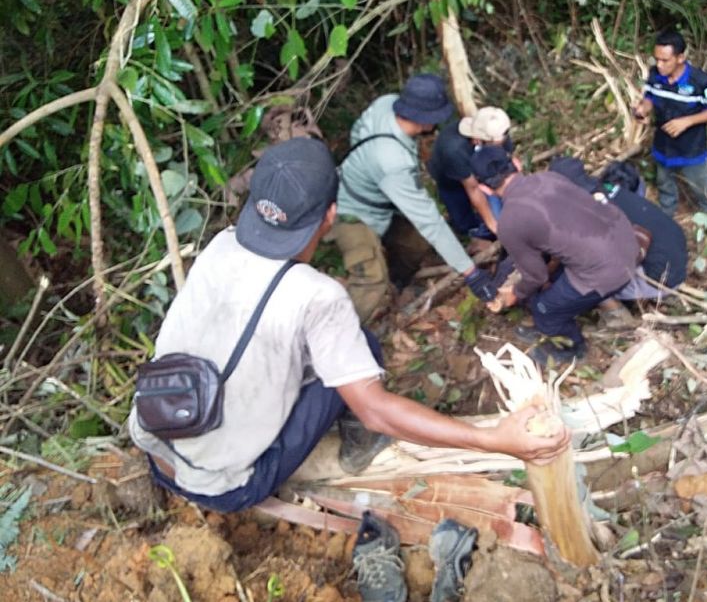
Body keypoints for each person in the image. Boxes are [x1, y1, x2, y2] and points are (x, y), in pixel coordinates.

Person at [128, 138, 569, 514]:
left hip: (155, 450)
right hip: (225, 488)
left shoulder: (220, 247)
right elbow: (374, 408)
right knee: (364, 350)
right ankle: (359, 448)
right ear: (330, 217)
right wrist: (495, 439)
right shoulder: (318, 296)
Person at [330, 74, 497, 322]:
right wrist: (470, 272)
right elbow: (430, 221)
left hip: (377, 197)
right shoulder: (392, 161)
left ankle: (397, 284)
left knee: (415, 243)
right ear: (426, 121)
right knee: (372, 279)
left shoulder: (386, 103)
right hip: (350, 212)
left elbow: (357, 133)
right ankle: (339, 334)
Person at [470, 145, 641, 366]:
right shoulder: (549, 178)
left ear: (484, 188)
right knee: (554, 284)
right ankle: (560, 317)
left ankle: (573, 348)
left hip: (610, 270)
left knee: (543, 309)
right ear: (517, 163)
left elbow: (536, 277)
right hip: (626, 239)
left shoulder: (510, 221)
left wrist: (513, 293)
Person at [548, 156, 687, 289]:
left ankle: (616, 308)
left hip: (661, 278)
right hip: (678, 255)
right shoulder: (609, 187)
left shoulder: (586, 209)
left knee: (582, 278)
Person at [632, 30, 707, 220]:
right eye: (656, 59)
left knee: (703, 189)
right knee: (665, 184)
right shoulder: (655, 75)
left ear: (681, 57)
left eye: (665, 60)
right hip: (663, 144)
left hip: (691, 148)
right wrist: (643, 109)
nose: (659, 64)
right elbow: (650, 97)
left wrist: (687, 121)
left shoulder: (701, 82)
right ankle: (666, 217)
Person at [427, 106, 512, 240]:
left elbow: (509, 161)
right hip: (450, 177)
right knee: (463, 220)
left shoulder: (496, 131)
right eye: (494, 146)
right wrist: (493, 226)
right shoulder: (453, 149)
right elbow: (473, 189)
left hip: (482, 169)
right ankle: (472, 231)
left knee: (499, 213)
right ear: (477, 140)